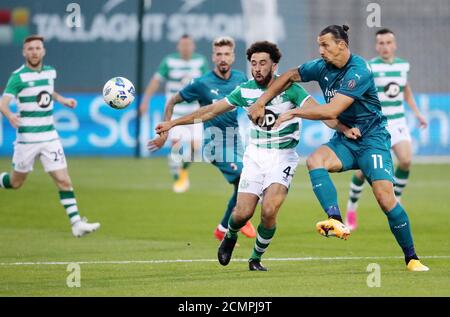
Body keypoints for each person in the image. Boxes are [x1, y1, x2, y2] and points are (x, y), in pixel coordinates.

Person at [155, 41, 357, 271]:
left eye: (263, 63)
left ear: (274, 65)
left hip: (283, 157)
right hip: (255, 156)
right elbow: (210, 110)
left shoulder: (291, 88)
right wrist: (173, 123)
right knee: (242, 213)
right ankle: (230, 235)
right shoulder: (245, 90)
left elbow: (320, 112)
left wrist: (343, 128)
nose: (258, 68)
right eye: (253, 63)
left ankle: (255, 258)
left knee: (269, 211)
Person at [248, 25, 429, 271]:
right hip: (345, 138)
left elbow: (332, 110)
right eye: (319, 45)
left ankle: (412, 258)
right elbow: (289, 74)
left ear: (341, 45)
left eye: (325, 45)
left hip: (372, 139)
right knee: (314, 161)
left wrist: (293, 112)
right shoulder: (321, 66)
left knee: (386, 199)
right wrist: (261, 101)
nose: (320, 50)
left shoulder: (359, 70)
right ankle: (336, 220)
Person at [148, 36, 256, 241]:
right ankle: (243, 216)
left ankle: (223, 229)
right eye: (218, 54)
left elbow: (255, 101)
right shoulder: (201, 82)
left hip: (236, 140)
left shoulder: (241, 78)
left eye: (226, 54)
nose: (223, 58)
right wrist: (164, 134)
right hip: (213, 142)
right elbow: (172, 101)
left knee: (244, 185)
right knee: (246, 180)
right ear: (213, 58)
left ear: (233, 57)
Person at [0, 35, 100, 238]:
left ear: (43, 51)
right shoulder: (17, 77)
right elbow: (3, 102)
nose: (34, 52)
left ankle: (76, 223)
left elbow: (48, 91)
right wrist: (10, 115)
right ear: (24, 53)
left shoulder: (49, 72)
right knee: (16, 183)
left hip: (50, 137)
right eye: (30, 49)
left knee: (63, 180)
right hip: (27, 140)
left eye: (38, 48)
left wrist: (62, 99)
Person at [345, 28, 428, 230]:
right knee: (363, 172)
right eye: (381, 43)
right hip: (375, 124)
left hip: (398, 122)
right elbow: (359, 93)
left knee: (406, 160)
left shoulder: (402, 66)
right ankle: (351, 207)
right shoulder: (369, 67)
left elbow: (405, 90)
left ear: (395, 44)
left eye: (388, 43)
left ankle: (396, 199)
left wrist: (417, 113)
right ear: (376, 46)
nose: (385, 47)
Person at [139, 34, 209, 193]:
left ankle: (183, 171)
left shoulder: (200, 61)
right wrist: (145, 101)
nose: (186, 48)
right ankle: (177, 179)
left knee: (195, 147)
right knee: (176, 144)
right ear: (178, 47)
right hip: (175, 110)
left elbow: (206, 84)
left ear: (193, 47)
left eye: (188, 45)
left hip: (194, 110)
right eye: (183, 45)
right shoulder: (169, 61)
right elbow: (156, 81)